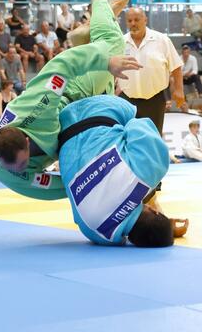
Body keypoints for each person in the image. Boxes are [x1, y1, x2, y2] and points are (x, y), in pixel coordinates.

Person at [0, 0, 141, 200]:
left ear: (26, 141)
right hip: (70, 124)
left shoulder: (36, 108)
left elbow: (62, 65)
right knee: (108, 92)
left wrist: (107, 62)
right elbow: (53, 187)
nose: (20, 170)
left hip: (71, 91)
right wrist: (85, 187)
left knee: (113, 45)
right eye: (15, 167)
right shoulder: (6, 172)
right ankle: (92, 28)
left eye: (22, 163)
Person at [57, 93, 184, 246]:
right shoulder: (99, 235)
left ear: (155, 211)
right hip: (60, 133)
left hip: (95, 108)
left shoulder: (149, 174)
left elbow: (137, 124)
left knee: (136, 120)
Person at [117, 7, 184, 135]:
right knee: (128, 138)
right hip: (127, 100)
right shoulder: (120, 42)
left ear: (145, 20)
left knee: (153, 138)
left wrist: (179, 90)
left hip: (155, 100)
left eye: (136, 20)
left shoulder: (162, 40)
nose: (133, 23)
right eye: (129, 20)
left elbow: (176, 67)